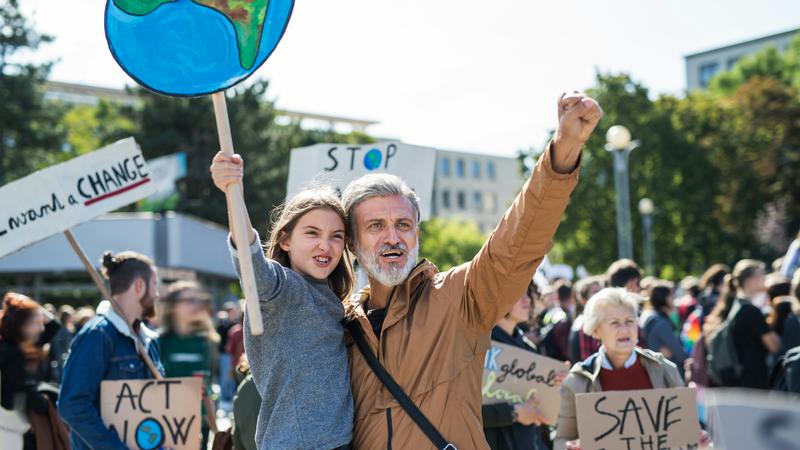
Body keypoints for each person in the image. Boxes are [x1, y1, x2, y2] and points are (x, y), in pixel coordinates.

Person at [335, 92, 600, 449]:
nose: (392, 237)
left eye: (403, 224)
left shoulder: (459, 298)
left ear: (417, 233)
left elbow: (519, 242)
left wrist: (561, 155)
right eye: (376, 226)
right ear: (351, 242)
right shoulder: (341, 328)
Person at [211, 153, 356, 450]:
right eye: (312, 233)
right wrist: (232, 191)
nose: (325, 245)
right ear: (286, 241)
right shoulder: (282, 289)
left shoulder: (330, 298)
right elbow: (250, 261)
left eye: (336, 236)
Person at [554, 288, 686, 450]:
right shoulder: (577, 382)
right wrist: (570, 448)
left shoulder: (665, 370)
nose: (624, 329)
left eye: (630, 321)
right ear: (596, 330)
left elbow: (685, 431)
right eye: (614, 323)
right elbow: (562, 438)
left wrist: (698, 441)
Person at [58, 251, 164, 450]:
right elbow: (72, 406)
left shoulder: (149, 340)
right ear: (139, 286)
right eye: (155, 284)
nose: (157, 294)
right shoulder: (97, 336)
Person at [482, 286, 567, 450]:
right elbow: (464, 412)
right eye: (519, 292)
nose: (527, 299)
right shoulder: (479, 347)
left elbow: (541, 415)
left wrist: (555, 386)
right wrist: (513, 413)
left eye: (529, 293)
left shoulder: (528, 347)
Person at [159, 281, 220, 450]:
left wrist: (217, 431)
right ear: (172, 307)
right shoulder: (158, 342)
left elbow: (205, 389)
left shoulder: (206, 342)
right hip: (167, 426)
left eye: (198, 300)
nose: (196, 305)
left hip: (199, 426)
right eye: (189, 300)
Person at [703, 259, 780, 389]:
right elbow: (774, 346)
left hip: (741, 381)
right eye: (761, 275)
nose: (765, 279)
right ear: (750, 280)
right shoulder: (750, 310)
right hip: (753, 383)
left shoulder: (736, 305)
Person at [0, 293, 49, 450]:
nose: (41, 327)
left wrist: (21, 304)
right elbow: (20, 391)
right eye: (35, 322)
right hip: (12, 430)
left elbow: (53, 327)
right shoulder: (13, 353)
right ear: (21, 325)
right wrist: (46, 403)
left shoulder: (12, 347)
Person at [640, 282, 688, 371]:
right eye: (672, 296)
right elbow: (678, 352)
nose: (674, 299)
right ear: (665, 298)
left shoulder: (648, 313)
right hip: (665, 370)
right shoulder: (660, 322)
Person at [568, 276, 603, 362]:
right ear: (583, 300)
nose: (601, 296)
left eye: (601, 291)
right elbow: (589, 363)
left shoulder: (585, 320)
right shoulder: (585, 324)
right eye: (596, 292)